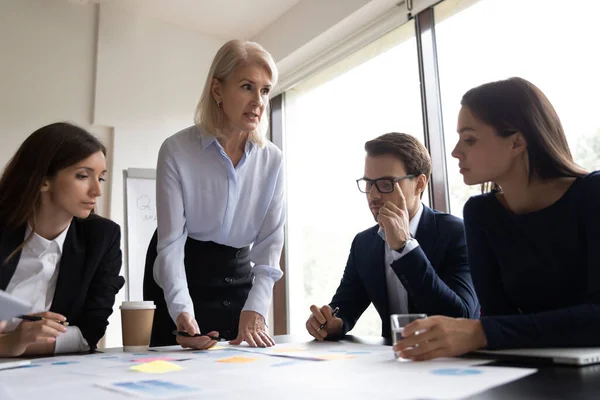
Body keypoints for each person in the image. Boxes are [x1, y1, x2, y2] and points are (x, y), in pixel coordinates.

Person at [395, 77, 600, 361]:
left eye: (470, 139)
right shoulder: (481, 213)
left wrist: (481, 332)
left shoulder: (593, 194)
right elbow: (497, 318)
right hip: (530, 369)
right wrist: (485, 331)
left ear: (516, 142)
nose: (455, 151)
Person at [144, 40, 284, 349]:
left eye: (265, 90)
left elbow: (270, 243)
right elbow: (170, 245)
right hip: (180, 273)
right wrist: (181, 311)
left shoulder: (272, 159)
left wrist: (256, 308)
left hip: (237, 276)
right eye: (247, 86)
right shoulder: (176, 150)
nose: (258, 101)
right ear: (217, 90)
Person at [306, 133, 479, 341]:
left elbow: (461, 317)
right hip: (392, 364)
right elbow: (345, 307)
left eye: (386, 184)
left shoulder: (458, 234)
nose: (373, 195)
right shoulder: (364, 243)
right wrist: (329, 322)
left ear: (419, 184)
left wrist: (405, 248)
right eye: (369, 183)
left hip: (455, 364)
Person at [0, 122, 125, 357]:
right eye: (83, 176)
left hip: (52, 375)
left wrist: (16, 342)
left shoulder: (102, 237)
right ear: (43, 179)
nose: (96, 191)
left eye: (101, 179)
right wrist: (11, 343)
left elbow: (88, 333)